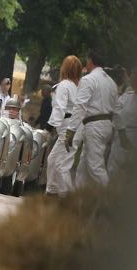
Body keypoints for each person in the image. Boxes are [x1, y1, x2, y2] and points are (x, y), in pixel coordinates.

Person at [64, 49, 125, 187]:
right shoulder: (111, 82)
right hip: (105, 126)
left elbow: (80, 107)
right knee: (83, 168)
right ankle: (80, 202)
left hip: (94, 126)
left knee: (95, 167)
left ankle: (109, 198)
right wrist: (122, 132)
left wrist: (70, 131)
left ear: (90, 60)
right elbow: (117, 110)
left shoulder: (88, 79)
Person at [45, 56, 82, 197]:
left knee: (61, 165)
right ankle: (52, 191)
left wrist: (49, 128)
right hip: (73, 126)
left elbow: (59, 109)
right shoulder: (76, 87)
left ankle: (65, 197)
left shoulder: (64, 85)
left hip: (67, 127)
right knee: (53, 160)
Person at [108, 60, 137, 175]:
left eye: (133, 76)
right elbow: (115, 114)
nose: (130, 78)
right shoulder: (125, 97)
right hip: (120, 141)